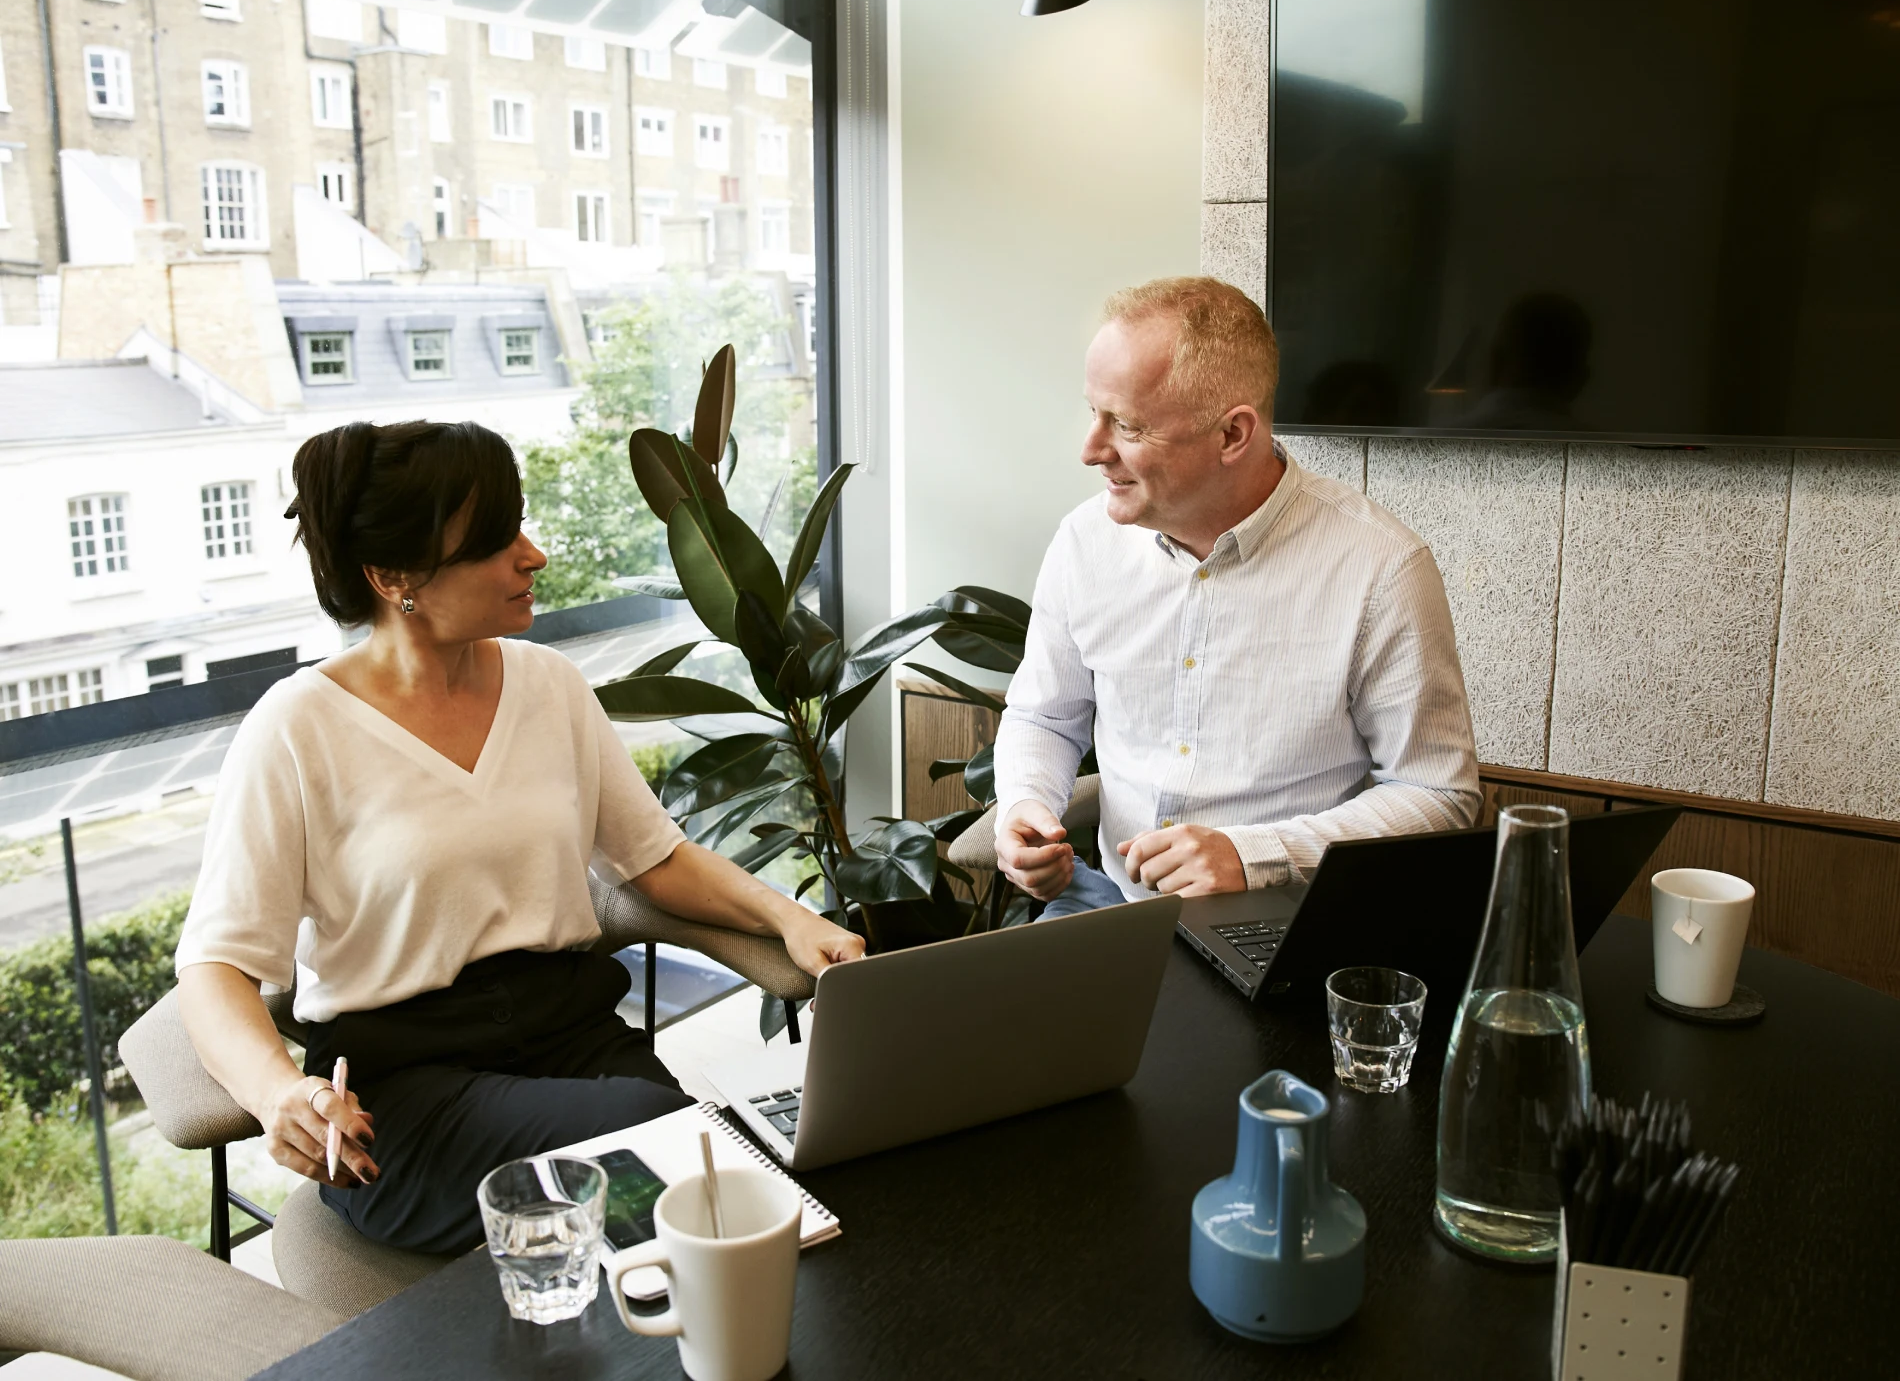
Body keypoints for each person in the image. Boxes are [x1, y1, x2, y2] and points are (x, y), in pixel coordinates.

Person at [174, 420, 862, 1254]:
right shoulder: (296, 727)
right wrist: (276, 1090)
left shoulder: (549, 686)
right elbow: (215, 966)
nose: (531, 555)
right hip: (412, 1098)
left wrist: (792, 919)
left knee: (730, 1204)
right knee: (679, 1165)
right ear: (395, 576)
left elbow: (656, 859)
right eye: (496, 541)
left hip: (577, 1044)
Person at [992, 278, 1481, 916]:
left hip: (1287, 919)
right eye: (1094, 412)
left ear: (1232, 435)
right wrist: (1027, 804)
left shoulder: (1382, 567)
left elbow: (1437, 794)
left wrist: (1255, 855)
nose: (1090, 450)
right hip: (1107, 904)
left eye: (1128, 425)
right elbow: (1043, 716)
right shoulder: (1083, 542)